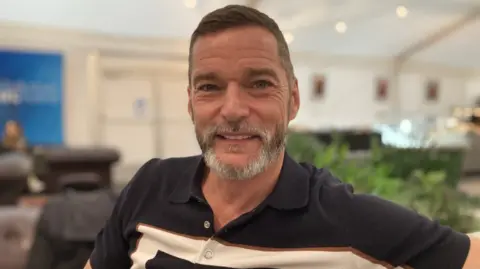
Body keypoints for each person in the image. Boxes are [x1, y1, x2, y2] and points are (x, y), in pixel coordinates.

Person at [86, 5, 479, 269]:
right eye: (209, 86)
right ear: (190, 102)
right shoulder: (149, 186)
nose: (234, 109)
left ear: (293, 101)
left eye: (258, 84)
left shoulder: (343, 218)